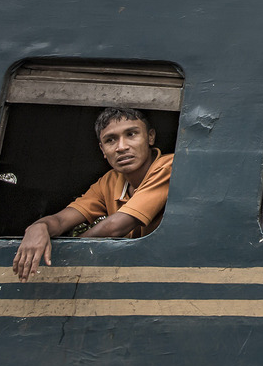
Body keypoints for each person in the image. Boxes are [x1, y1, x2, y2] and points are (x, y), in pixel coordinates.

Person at [12, 108, 173, 282]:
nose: (121, 147)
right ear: (102, 149)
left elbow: (116, 226)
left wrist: (71, 247)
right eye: (110, 140)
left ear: (150, 137)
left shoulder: (169, 166)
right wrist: (39, 227)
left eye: (131, 134)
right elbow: (62, 220)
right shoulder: (110, 180)